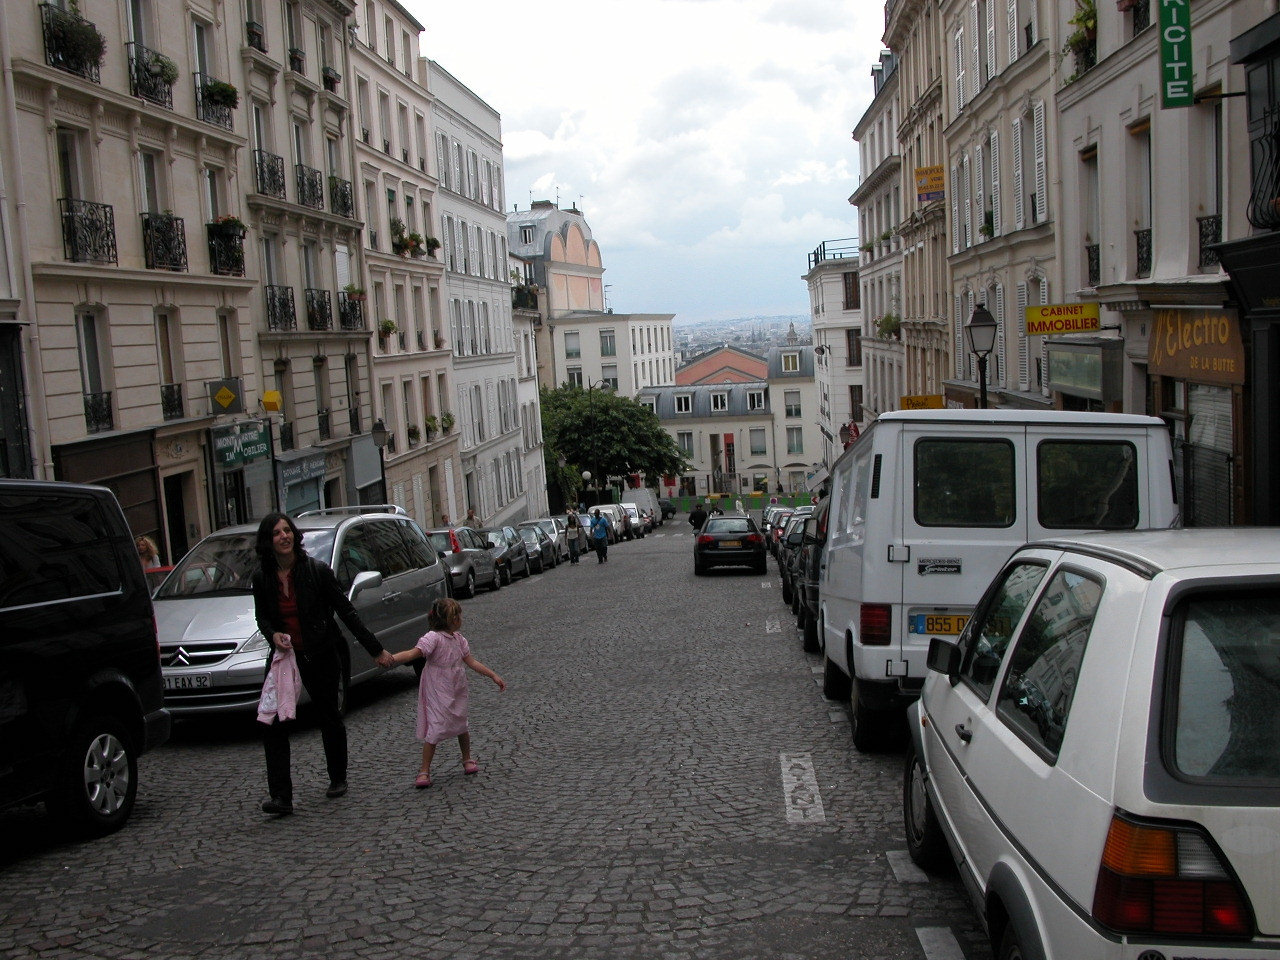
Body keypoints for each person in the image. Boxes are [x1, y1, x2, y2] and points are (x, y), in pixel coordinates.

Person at [251, 511, 395, 816]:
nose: (284, 536)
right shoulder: (261, 578)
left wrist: (376, 650)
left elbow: (346, 612)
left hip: (320, 652)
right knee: (272, 724)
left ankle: (337, 777)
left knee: (328, 714)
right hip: (284, 658)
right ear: (268, 541)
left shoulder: (316, 571)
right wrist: (273, 633)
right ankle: (280, 796)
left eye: (287, 531)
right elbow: (261, 616)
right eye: (277, 533)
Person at [388, 597, 505, 788]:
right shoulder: (433, 638)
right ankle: (424, 770)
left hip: (456, 687)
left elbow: (471, 661)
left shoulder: (459, 640)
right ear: (451, 620)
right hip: (437, 689)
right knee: (435, 726)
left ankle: (467, 759)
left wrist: (492, 675)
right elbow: (413, 653)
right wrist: (391, 659)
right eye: (458, 615)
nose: (461, 618)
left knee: (461, 723)